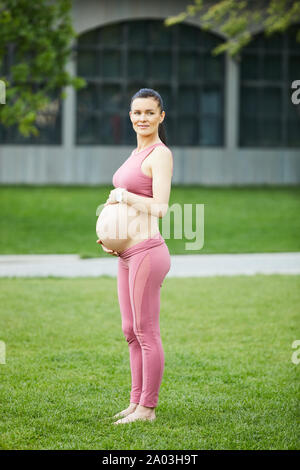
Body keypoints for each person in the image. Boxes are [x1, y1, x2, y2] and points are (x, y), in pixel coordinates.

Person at [99, 88, 173, 424]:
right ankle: (134, 402)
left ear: (161, 116)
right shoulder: (134, 153)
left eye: (148, 113)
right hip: (125, 254)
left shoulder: (160, 154)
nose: (141, 118)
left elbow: (159, 208)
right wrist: (110, 236)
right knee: (130, 330)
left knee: (146, 332)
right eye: (136, 113)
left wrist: (124, 196)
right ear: (130, 116)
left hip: (147, 252)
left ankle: (148, 409)